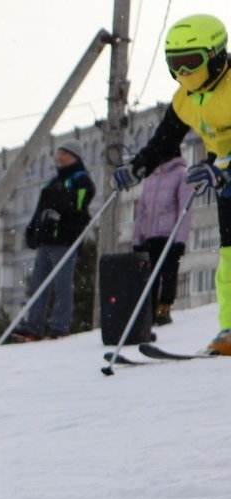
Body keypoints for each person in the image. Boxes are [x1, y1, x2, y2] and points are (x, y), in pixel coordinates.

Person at [114, 13, 231, 354]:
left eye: (190, 62)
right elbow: (164, 142)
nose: (183, 73)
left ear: (217, 54)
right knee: (229, 257)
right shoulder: (185, 98)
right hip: (223, 176)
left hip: (223, 170)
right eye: (174, 64)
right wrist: (137, 167)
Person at [13, 141, 96, 341]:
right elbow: (40, 209)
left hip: (65, 241)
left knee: (63, 284)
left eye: (64, 154)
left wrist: (63, 215)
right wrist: (32, 231)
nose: (59, 157)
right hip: (47, 240)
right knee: (38, 284)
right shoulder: (52, 182)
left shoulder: (81, 179)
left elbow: (80, 207)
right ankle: (34, 326)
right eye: (58, 153)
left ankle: (60, 326)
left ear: (75, 156)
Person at [131, 154, 193, 327]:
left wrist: (180, 239)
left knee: (169, 273)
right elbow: (141, 210)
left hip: (169, 235)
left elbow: (185, 209)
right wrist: (137, 238)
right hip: (150, 235)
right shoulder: (152, 176)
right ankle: (148, 312)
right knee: (150, 276)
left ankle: (164, 308)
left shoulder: (181, 174)